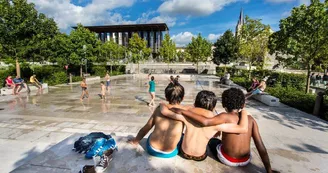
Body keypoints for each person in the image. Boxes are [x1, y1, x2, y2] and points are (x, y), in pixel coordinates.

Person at [169, 88, 278, 173]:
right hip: (246, 160)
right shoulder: (251, 120)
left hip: (228, 159)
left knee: (213, 141)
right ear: (243, 105)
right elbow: (260, 146)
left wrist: (183, 111)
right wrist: (268, 169)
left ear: (224, 105)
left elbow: (207, 122)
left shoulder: (224, 117)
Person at [159, 90, 249, 161]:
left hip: (184, 153)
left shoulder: (187, 116)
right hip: (200, 156)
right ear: (213, 108)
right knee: (213, 141)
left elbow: (164, 111)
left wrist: (162, 104)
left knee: (181, 135)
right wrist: (244, 112)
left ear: (195, 104)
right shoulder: (215, 122)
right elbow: (243, 129)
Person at [128, 81, 191, 158]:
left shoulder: (159, 109)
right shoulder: (185, 112)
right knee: (181, 136)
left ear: (166, 97)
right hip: (170, 153)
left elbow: (147, 127)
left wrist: (135, 141)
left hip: (152, 149)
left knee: (152, 133)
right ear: (183, 97)